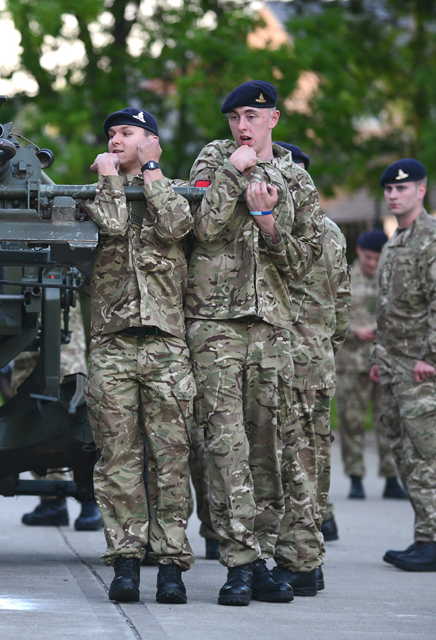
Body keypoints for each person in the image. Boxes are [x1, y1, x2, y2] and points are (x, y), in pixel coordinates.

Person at [185, 80, 324, 606]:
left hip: (271, 326)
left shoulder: (296, 178)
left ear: (274, 119)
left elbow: (307, 260)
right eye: (235, 117)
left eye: (252, 116)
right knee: (224, 445)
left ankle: (263, 556)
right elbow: (202, 230)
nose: (242, 126)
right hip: (215, 323)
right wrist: (232, 173)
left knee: (267, 445)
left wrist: (268, 223)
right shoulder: (212, 161)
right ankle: (238, 562)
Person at [82, 107, 195, 604]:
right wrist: (110, 178)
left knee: (171, 457)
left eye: (126, 133)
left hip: (166, 344)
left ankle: (170, 564)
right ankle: (126, 562)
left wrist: (150, 174)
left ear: (151, 142)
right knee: (118, 460)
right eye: (111, 134)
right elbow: (110, 223)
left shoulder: (173, 191)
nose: (115, 140)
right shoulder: (100, 190)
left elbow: (173, 227)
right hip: (113, 343)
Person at [371, 159, 436, 572]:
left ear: (421, 191)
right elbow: (388, 310)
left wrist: (434, 357)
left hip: (425, 368)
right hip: (396, 366)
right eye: (389, 189)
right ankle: (425, 535)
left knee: (428, 452)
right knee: (405, 453)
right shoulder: (396, 243)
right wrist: (380, 357)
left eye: (402, 189)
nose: (394, 195)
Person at [270, 142, 350, 596]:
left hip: (292, 359)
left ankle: (301, 564)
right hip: (317, 358)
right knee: (313, 461)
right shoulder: (333, 231)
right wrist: (323, 345)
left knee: (294, 463)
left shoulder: (293, 232)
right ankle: (310, 559)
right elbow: (342, 305)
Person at [17, 302, 103, 532]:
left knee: (73, 400)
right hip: (19, 311)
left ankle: (91, 500)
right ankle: (53, 502)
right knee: (30, 405)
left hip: (58, 308)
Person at [336, 230, 406, 501]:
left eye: (378, 258)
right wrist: (354, 330)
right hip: (351, 363)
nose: (373, 264)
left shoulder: (393, 281)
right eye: (368, 257)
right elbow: (329, 314)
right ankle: (355, 478)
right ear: (359, 251)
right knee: (351, 422)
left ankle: (391, 478)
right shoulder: (343, 278)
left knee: (389, 421)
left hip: (386, 360)